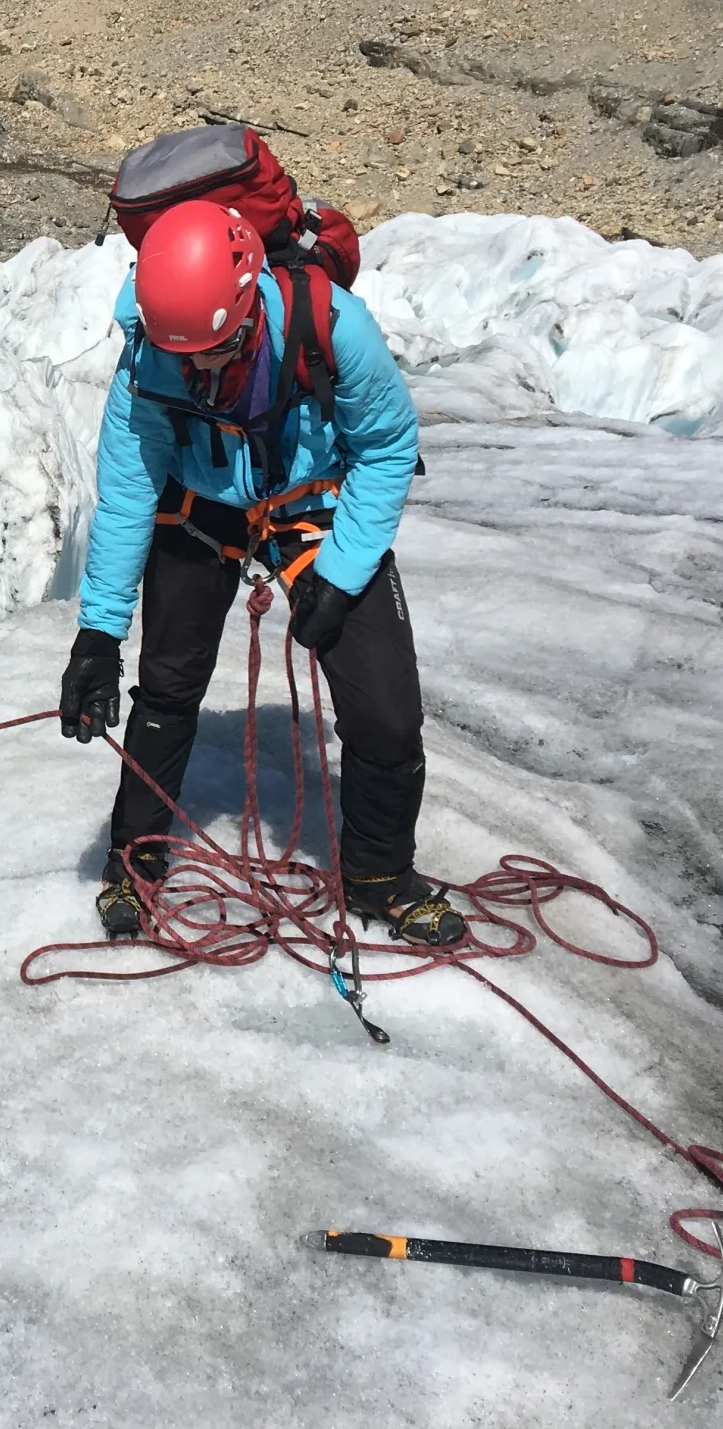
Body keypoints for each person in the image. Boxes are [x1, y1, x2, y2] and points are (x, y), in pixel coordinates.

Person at [57, 200, 462, 947]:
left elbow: (387, 447)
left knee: (387, 714)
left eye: (213, 350)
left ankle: (379, 876)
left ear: (248, 308)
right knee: (168, 686)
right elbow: (128, 493)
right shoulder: (150, 353)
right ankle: (136, 861)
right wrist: (97, 635)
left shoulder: (333, 327)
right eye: (184, 356)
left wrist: (339, 577)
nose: (197, 370)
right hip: (202, 503)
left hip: (317, 507)